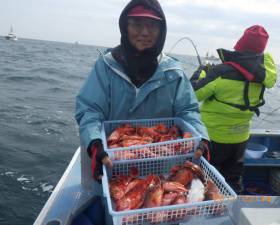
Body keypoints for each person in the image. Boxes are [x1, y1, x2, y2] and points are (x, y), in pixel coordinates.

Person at [75, 0, 209, 181]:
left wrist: (201, 137)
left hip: (161, 171)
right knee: (111, 203)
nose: (145, 32)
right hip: (113, 167)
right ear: (125, 26)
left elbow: (188, 111)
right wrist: (95, 144)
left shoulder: (174, 72)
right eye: (137, 24)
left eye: (153, 25)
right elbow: (90, 110)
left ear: (161, 31)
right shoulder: (105, 66)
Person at [190, 25, 277, 193]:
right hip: (241, 138)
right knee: (233, 179)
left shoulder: (221, 71)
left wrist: (201, 72)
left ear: (239, 45)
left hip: (214, 138)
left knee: (207, 179)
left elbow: (193, 94)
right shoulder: (261, 77)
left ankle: (209, 211)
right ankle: (233, 207)